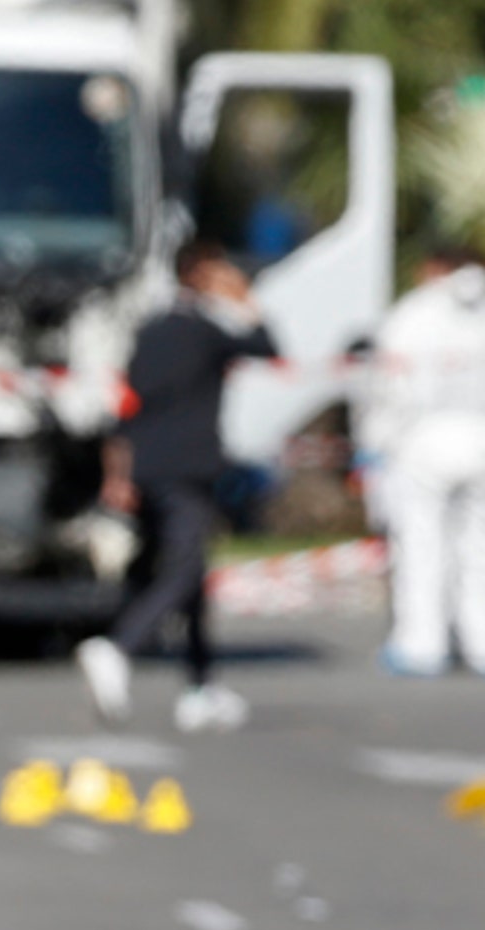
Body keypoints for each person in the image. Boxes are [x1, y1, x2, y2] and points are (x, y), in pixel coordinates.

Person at [74, 239, 278, 732]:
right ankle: (119, 648)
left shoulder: (151, 330)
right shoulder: (205, 330)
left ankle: (201, 685)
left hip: (147, 466)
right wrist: (245, 299)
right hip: (188, 467)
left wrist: (117, 473)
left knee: (184, 575)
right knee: (185, 567)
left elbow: (128, 407)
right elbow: (268, 346)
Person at [362, 248, 485, 678]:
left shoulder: (413, 314)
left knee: (422, 551)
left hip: (421, 450)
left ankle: (422, 646)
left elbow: (386, 389)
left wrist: (379, 442)